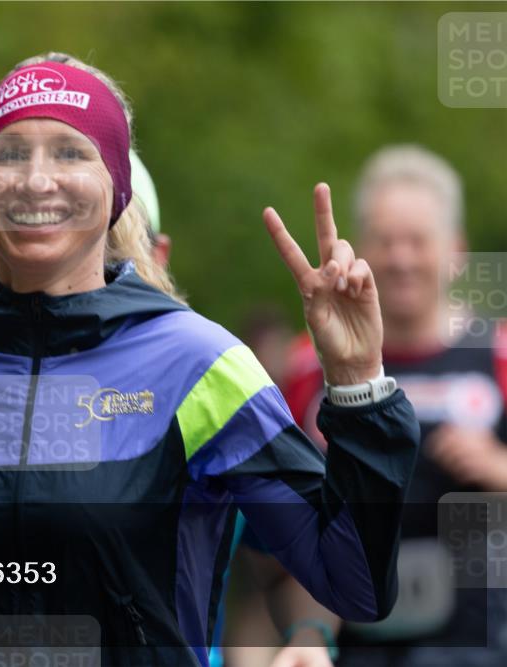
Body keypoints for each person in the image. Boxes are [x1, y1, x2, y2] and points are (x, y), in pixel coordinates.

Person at [0, 52, 420, 667]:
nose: (36, 180)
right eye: (7, 153)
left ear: (116, 187)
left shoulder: (202, 367)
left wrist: (359, 384)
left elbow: (352, 581)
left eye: (69, 152)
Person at [282, 144, 507, 667]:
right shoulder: (309, 366)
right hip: (352, 647)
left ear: (456, 252)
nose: (401, 259)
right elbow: (275, 525)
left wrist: (499, 468)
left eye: (417, 241)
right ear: (358, 249)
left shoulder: (497, 356)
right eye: (385, 241)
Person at [133, 149, 339, 667]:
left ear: (158, 256)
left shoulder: (205, 394)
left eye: (113, 242)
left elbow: (293, 558)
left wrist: (308, 637)